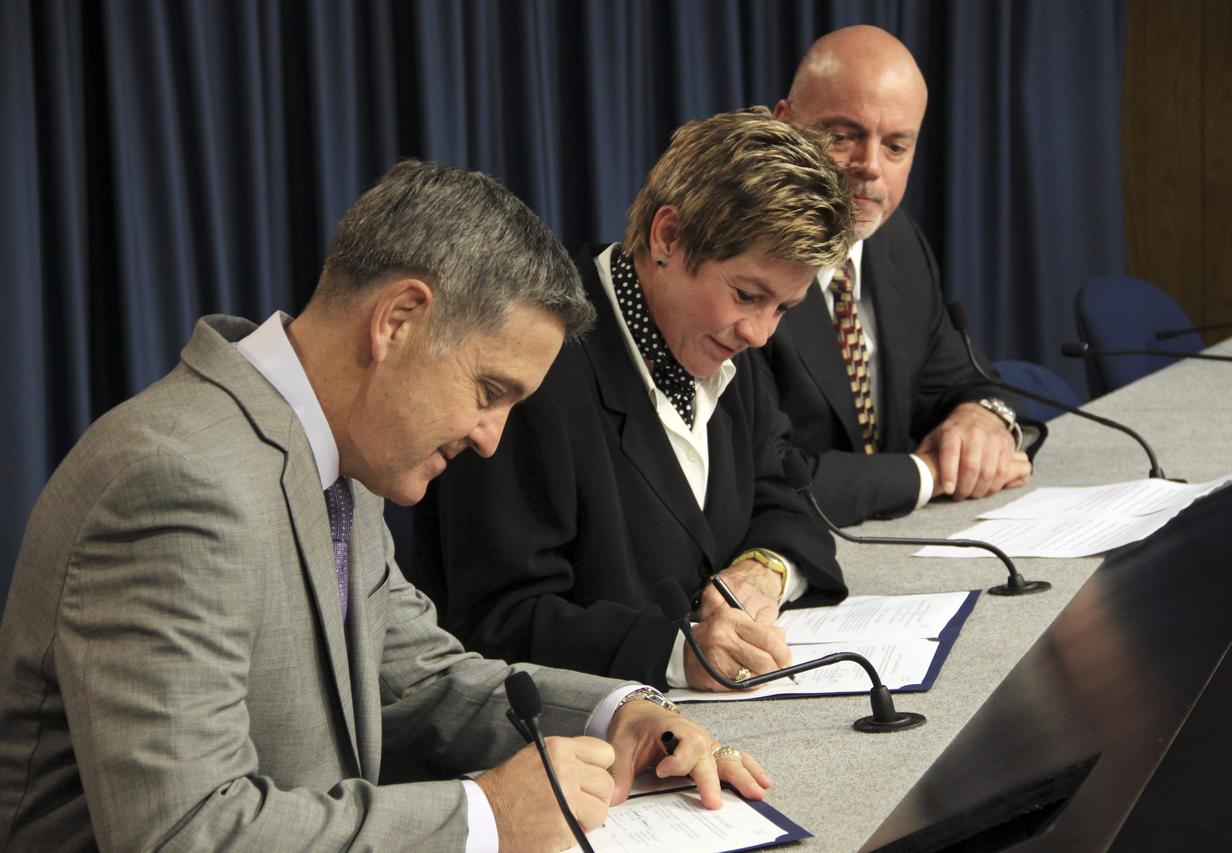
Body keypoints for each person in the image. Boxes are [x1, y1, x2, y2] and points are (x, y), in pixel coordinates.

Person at [0, 161, 769, 853]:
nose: (492, 438)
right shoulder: (176, 479)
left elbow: (420, 679)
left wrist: (616, 718)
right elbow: (186, 831)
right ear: (397, 319)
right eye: (490, 392)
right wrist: (484, 818)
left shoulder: (337, 464)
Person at [411, 108, 853, 695]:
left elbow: (783, 493)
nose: (760, 334)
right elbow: (496, 618)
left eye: (783, 309)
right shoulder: (535, 367)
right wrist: (678, 652)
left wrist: (765, 569)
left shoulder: (722, 342)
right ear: (667, 236)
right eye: (748, 295)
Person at [762, 25, 1038, 527]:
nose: (870, 167)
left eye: (895, 146)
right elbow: (767, 475)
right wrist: (928, 474)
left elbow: (965, 381)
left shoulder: (896, 243)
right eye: (842, 137)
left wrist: (982, 421)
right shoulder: (745, 269)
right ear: (785, 125)